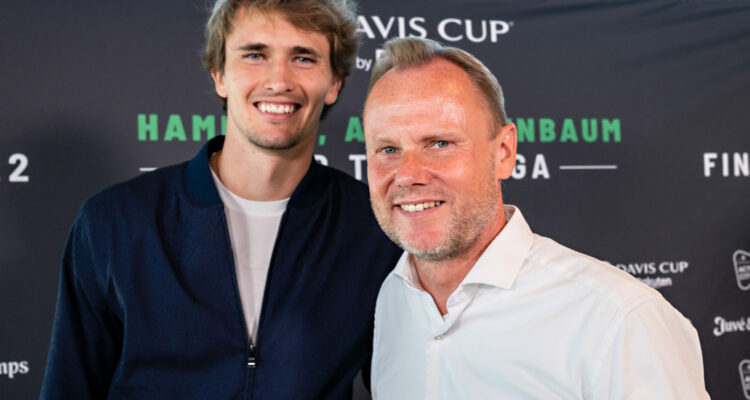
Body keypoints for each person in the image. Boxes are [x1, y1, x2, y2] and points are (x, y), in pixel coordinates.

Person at [40, 1, 401, 399]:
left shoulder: (375, 225)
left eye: (303, 57)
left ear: (334, 83)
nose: (278, 80)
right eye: (255, 55)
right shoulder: (115, 221)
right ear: (219, 74)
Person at [364, 37, 709, 399]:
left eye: (440, 144)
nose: (408, 174)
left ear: (503, 152)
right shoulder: (393, 298)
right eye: (388, 149)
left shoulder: (619, 320)